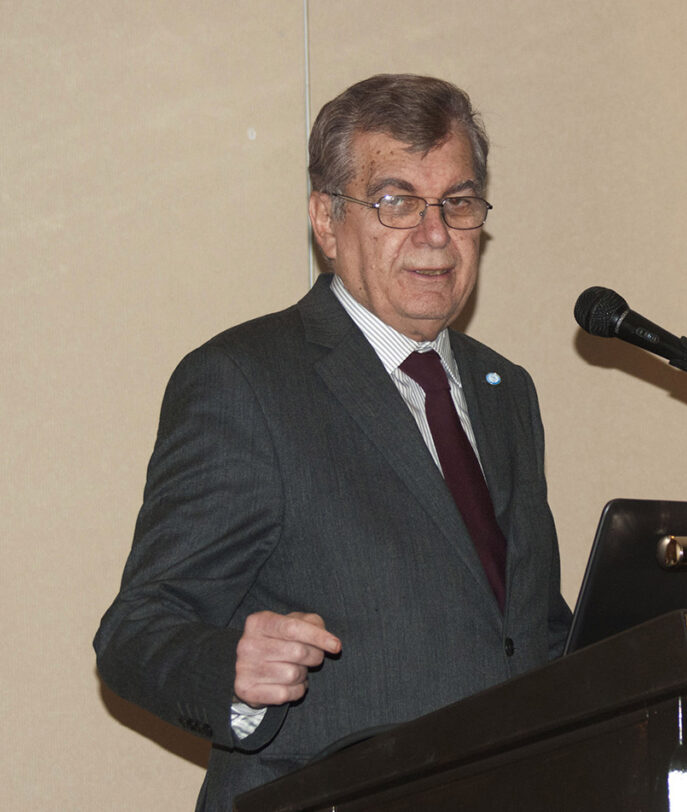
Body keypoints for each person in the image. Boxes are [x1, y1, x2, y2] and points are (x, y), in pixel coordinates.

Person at [94, 73, 570, 811]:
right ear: (326, 219)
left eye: (458, 202)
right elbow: (135, 632)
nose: (436, 235)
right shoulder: (247, 381)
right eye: (396, 202)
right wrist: (233, 670)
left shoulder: (507, 390)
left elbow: (522, 630)